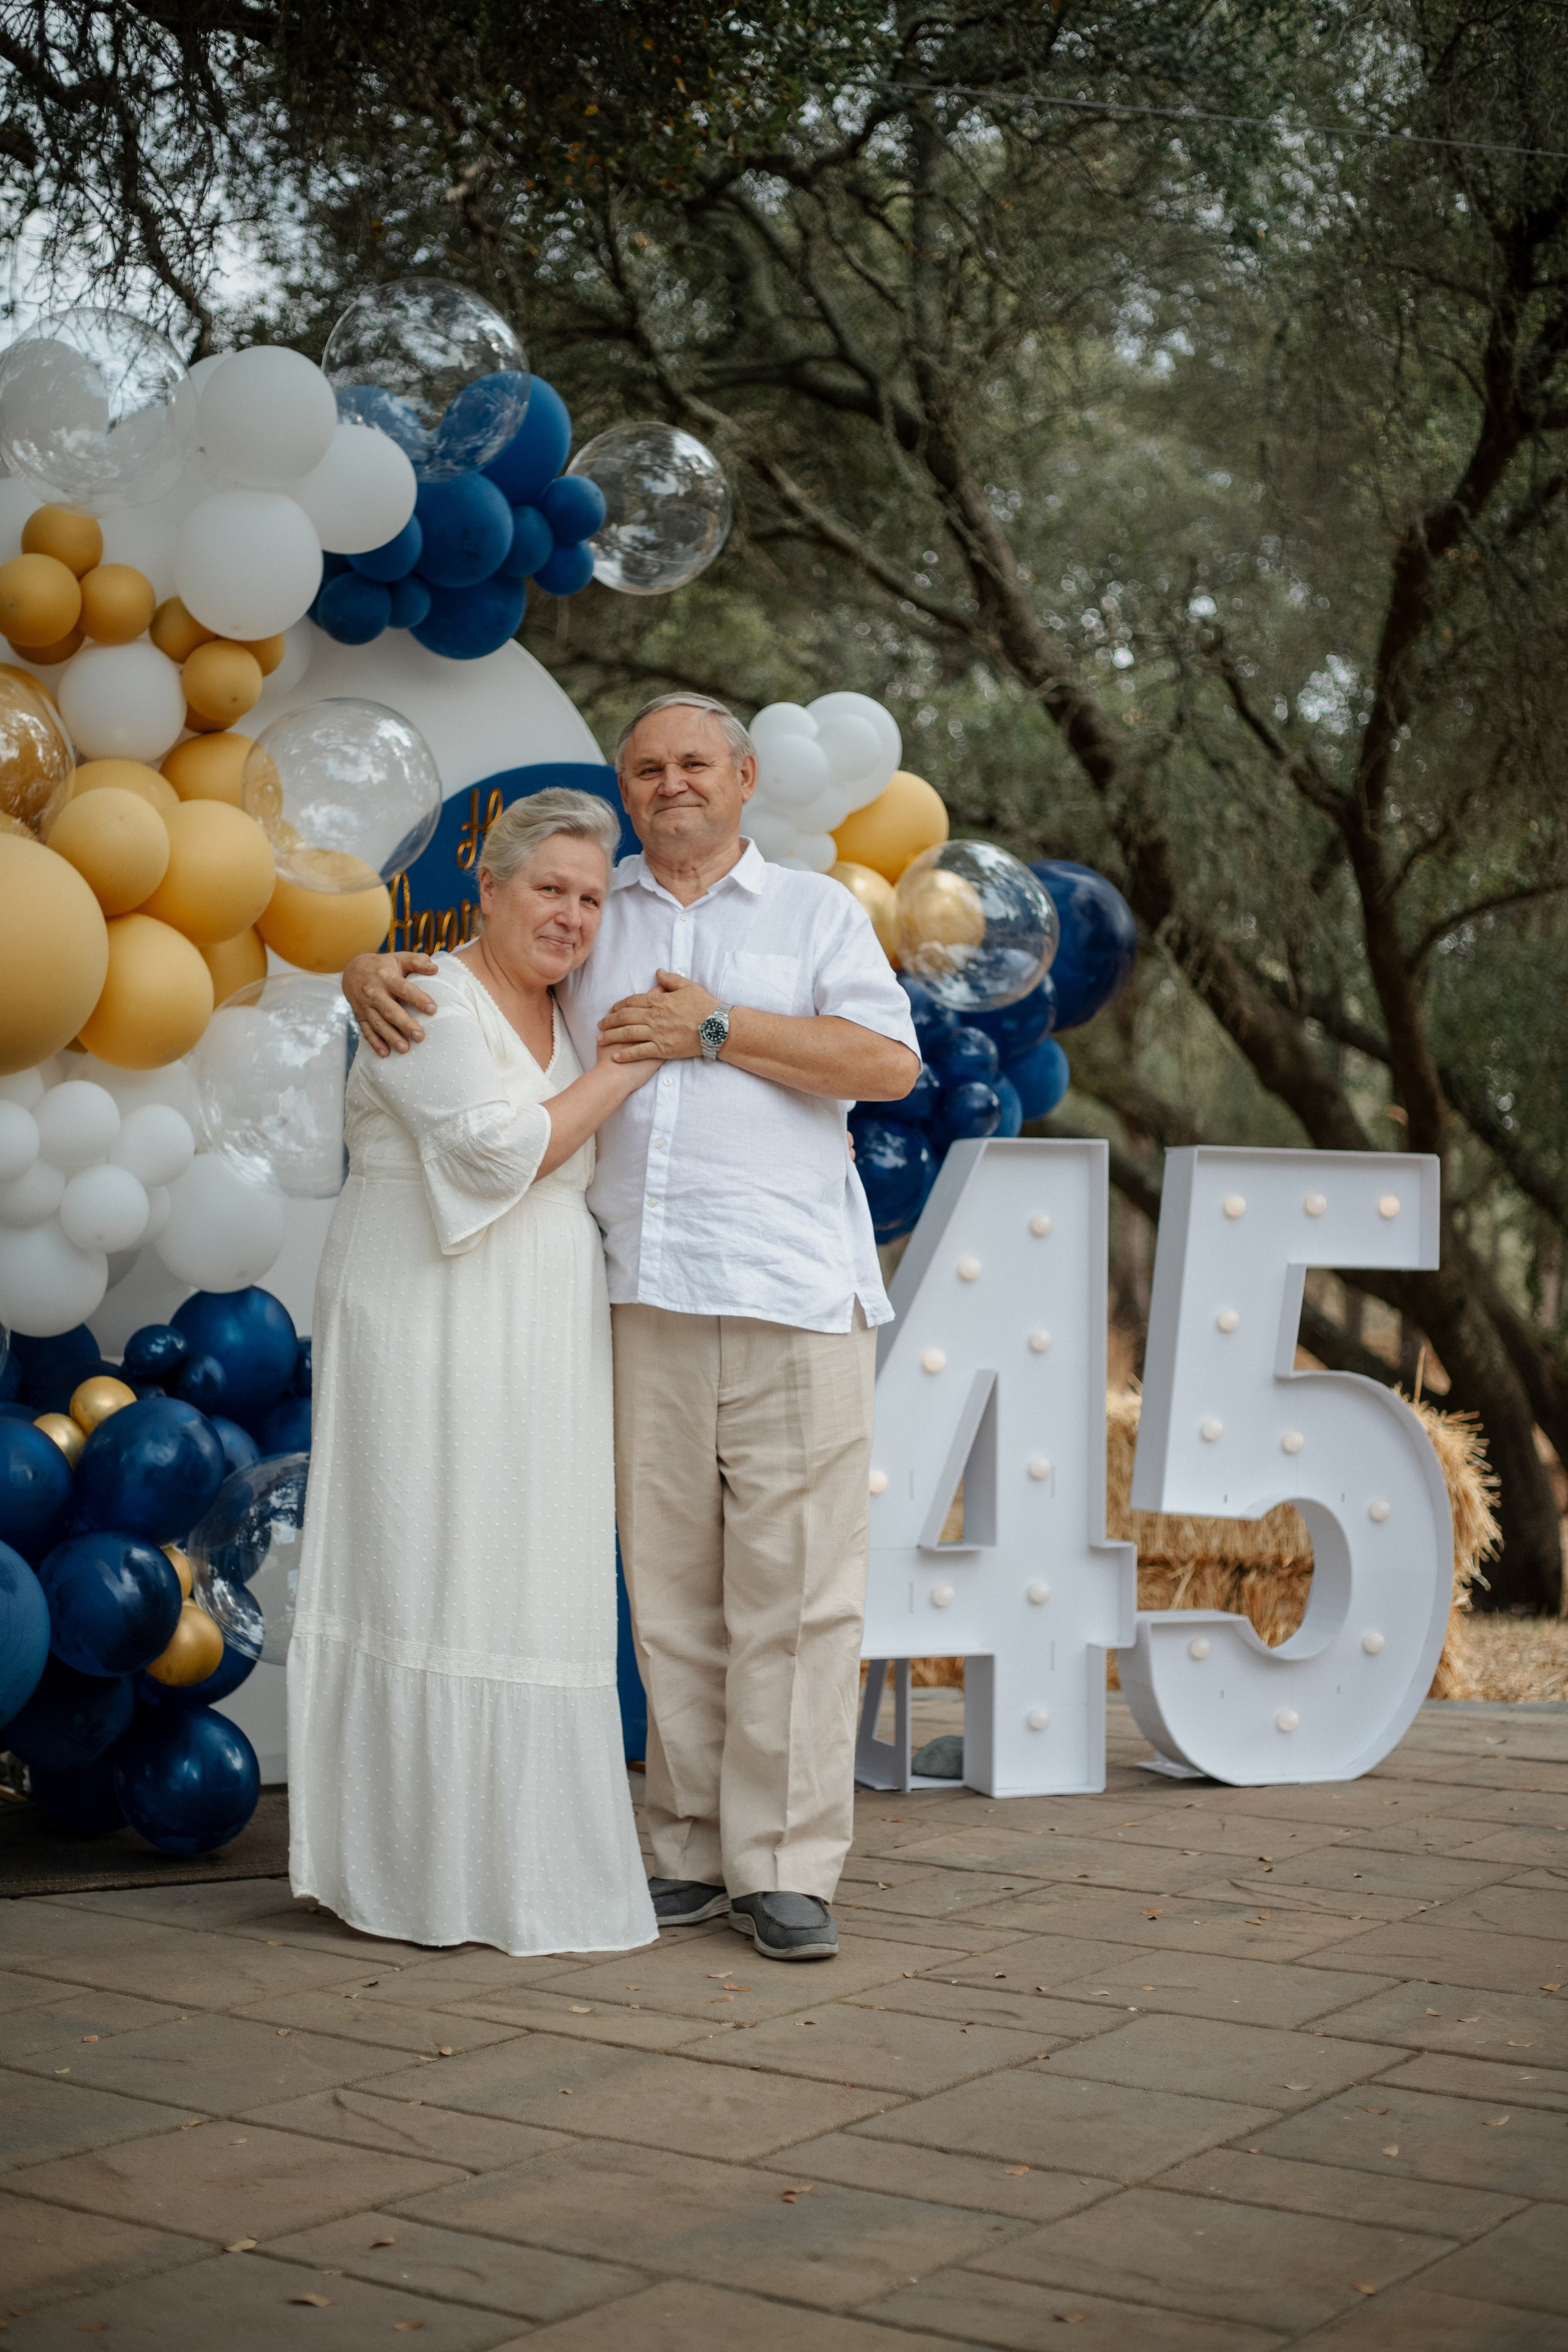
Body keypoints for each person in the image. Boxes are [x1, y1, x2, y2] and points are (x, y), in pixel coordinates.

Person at [344, 693, 921, 1961]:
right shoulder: (593, 911)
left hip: (789, 1295)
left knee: (798, 1594)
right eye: (648, 767)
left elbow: (886, 1066)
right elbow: (490, 991)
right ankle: (686, 1846)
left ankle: (784, 1867)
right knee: (668, 1599)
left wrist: (716, 1028)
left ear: (745, 778)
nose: (671, 785)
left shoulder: (815, 912)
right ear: (627, 782)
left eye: (695, 764)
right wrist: (366, 964)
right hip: (634, 1298)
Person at [289, 789, 659, 1958]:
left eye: (592, 899)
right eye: (548, 888)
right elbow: (499, 1150)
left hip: (542, 1321)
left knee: (530, 1574)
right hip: (423, 1310)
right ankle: (411, 1872)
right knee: (429, 1561)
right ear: (488, 889)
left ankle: (524, 1868)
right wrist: (634, 1063)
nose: (571, 916)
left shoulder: (575, 1009)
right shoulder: (426, 995)